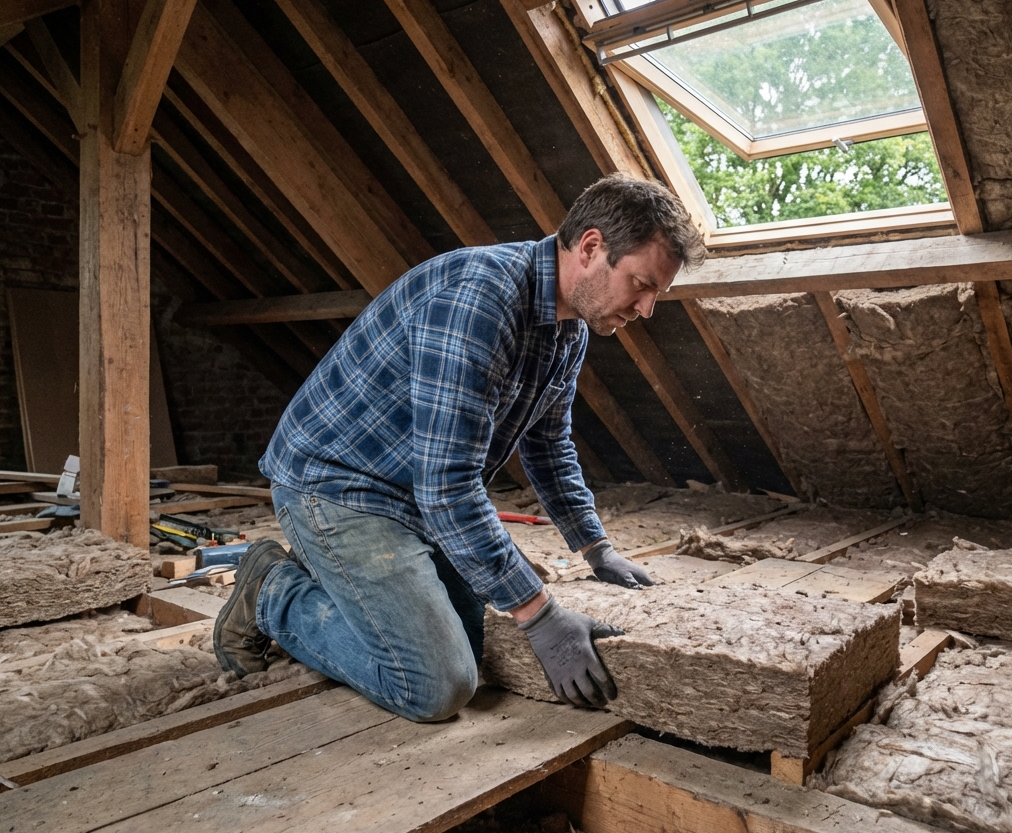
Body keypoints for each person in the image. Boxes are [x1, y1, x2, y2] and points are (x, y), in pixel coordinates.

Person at [212, 174, 706, 720]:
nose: (646, 308)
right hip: (337, 487)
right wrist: (540, 616)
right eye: (642, 284)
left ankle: (327, 577)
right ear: (591, 248)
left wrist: (594, 545)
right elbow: (447, 487)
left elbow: (547, 443)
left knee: (472, 644)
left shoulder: (570, 328)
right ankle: (271, 591)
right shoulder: (481, 299)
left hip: (411, 491)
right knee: (437, 684)